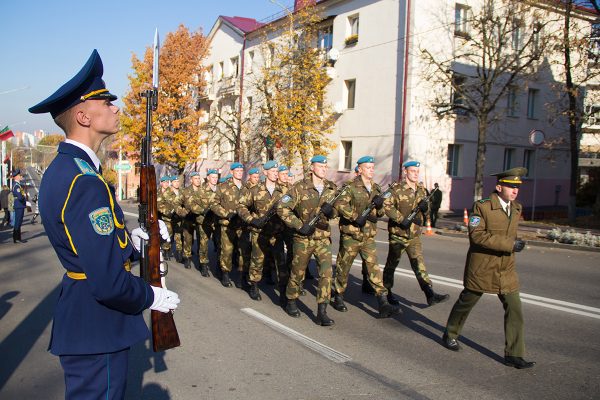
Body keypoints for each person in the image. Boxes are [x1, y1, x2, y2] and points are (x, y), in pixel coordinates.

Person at [29, 49, 179, 399]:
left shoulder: (70, 171)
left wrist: (132, 242)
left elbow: (90, 246)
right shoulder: (85, 182)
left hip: (86, 323)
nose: (116, 107)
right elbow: (109, 283)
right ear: (82, 116)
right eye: (105, 102)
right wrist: (150, 295)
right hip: (98, 326)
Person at [442, 167, 535, 369]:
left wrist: (514, 243)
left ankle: (514, 354)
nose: (515, 190)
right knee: (467, 301)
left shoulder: (516, 208)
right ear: (499, 187)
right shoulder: (482, 207)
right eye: (511, 186)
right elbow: (477, 236)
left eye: (517, 187)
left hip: (506, 268)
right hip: (483, 266)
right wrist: (509, 244)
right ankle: (450, 333)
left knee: (515, 308)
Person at [332, 156, 399, 318]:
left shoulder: (376, 188)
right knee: (343, 267)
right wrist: (355, 216)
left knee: (373, 268)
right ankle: (338, 296)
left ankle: (383, 302)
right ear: (360, 169)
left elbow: (381, 213)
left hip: (368, 236)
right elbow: (340, 204)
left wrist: (380, 205)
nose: (371, 170)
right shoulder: (350, 186)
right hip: (351, 235)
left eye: (372, 167)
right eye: (368, 167)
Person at [277, 155, 338, 326]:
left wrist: (332, 212)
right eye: (320, 166)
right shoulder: (299, 188)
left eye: (325, 166)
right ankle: (291, 300)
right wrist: (298, 225)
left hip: (323, 238)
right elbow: (282, 208)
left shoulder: (331, 188)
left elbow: (338, 211)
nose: (323, 169)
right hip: (303, 239)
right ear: (312, 168)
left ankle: (322, 311)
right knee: (298, 272)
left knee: (326, 274)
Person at [382, 160, 449, 307]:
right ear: (405, 171)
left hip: (414, 235)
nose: (415, 174)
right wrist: (401, 219)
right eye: (412, 171)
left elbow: (428, 211)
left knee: (419, 264)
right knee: (391, 265)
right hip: (398, 234)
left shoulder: (421, 189)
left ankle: (429, 293)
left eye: (417, 172)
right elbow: (386, 206)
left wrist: (425, 208)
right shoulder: (396, 189)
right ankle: (387, 293)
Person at [237, 160, 287, 301]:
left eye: (277, 172)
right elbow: (241, 207)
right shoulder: (254, 190)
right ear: (265, 172)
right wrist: (252, 220)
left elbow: (292, 207)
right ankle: (254, 286)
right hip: (259, 232)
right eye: (272, 171)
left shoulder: (284, 190)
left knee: (280, 262)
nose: (275, 174)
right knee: (257, 260)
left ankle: (283, 290)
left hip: (277, 233)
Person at [211, 162, 248, 287]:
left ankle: (241, 276)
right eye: (237, 171)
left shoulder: (246, 187)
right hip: (227, 224)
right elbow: (214, 204)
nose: (239, 173)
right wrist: (225, 213)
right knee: (227, 251)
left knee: (243, 251)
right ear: (231, 172)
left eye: (241, 171)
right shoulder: (223, 187)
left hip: (242, 225)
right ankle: (225, 273)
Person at [181, 171, 203, 269]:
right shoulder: (185, 191)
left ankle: (201, 259)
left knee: (202, 240)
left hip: (200, 219)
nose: (198, 180)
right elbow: (177, 203)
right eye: (196, 178)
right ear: (191, 180)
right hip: (188, 219)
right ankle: (187, 258)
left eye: (199, 178)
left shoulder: (203, 190)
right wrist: (183, 212)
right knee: (188, 239)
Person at [11, 169, 27, 243]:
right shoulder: (16, 186)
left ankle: (17, 237)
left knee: (19, 221)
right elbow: (20, 197)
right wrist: (24, 197)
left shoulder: (18, 185)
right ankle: (16, 238)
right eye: (19, 175)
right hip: (19, 205)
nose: (20, 176)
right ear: (16, 177)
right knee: (18, 221)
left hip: (20, 205)